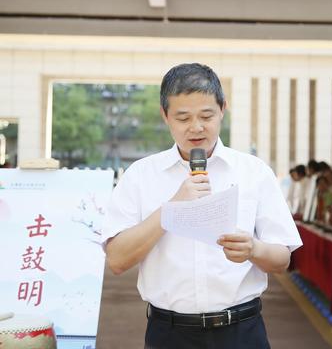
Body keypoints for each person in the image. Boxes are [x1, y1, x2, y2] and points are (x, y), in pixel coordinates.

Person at [102, 63, 302, 349]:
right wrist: (172, 209)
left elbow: (282, 260)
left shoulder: (254, 172)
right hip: (169, 334)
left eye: (206, 115)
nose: (196, 127)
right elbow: (117, 260)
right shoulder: (141, 175)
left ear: (223, 108)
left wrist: (253, 249)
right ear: (165, 116)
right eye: (182, 118)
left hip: (241, 331)